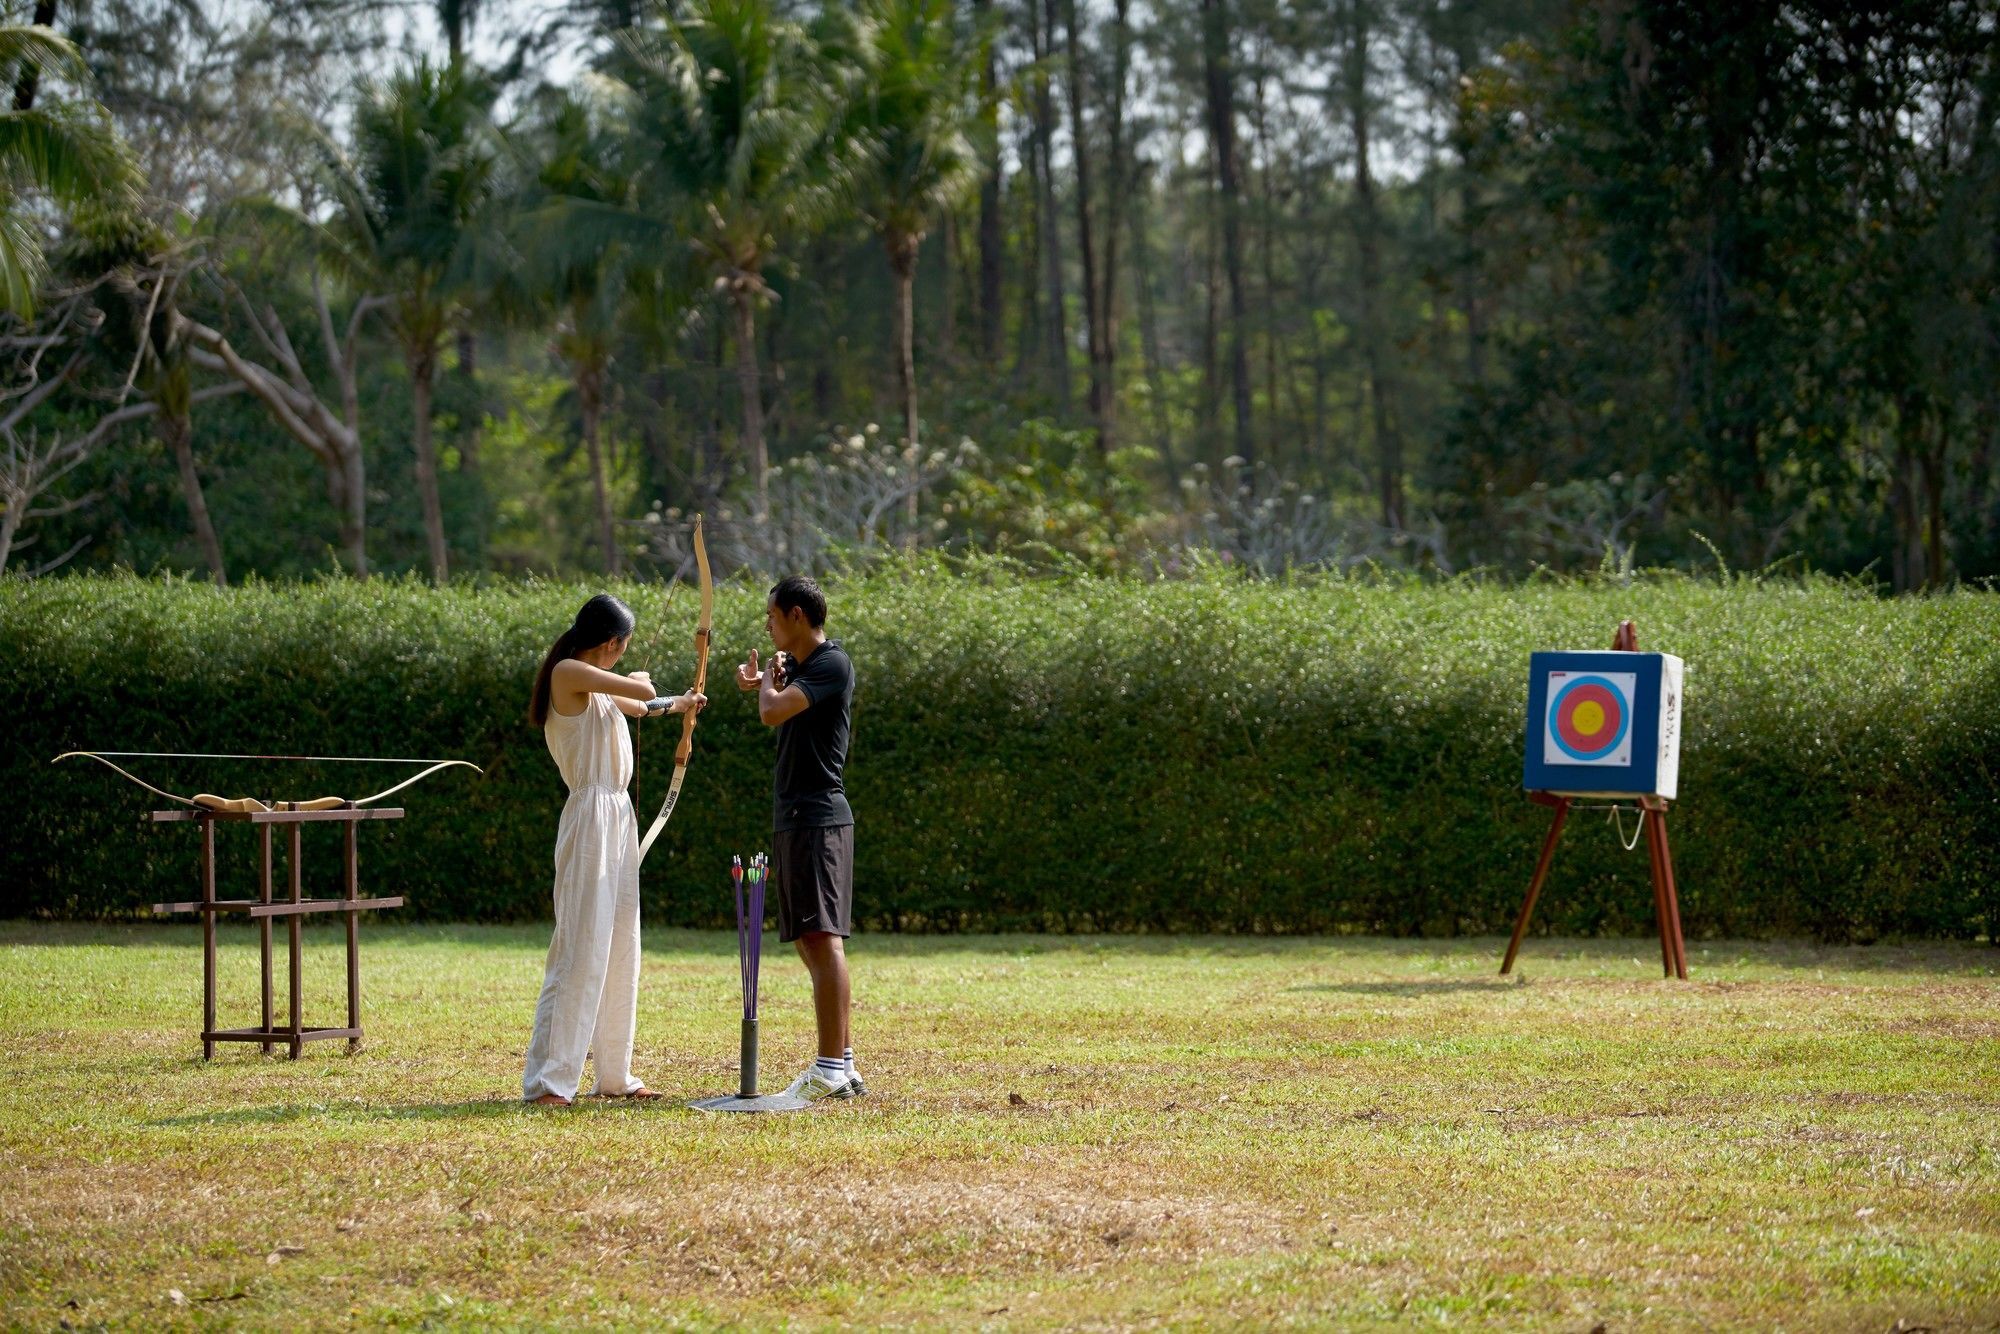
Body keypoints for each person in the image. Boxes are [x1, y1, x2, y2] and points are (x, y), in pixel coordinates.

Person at [521, 593, 705, 1107]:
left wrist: (684, 704)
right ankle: (549, 1082)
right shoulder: (567, 674)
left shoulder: (598, 686)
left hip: (617, 817)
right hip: (588, 821)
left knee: (622, 943)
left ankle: (614, 1074)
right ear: (611, 643)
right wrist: (641, 686)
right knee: (580, 946)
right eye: (624, 647)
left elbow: (644, 703)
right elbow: (634, 688)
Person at [736, 575, 862, 1101]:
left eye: (771, 616)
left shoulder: (832, 663)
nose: (767, 625)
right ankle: (843, 1067)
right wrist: (765, 679)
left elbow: (772, 712)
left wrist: (765, 683)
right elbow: (775, 701)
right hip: (796, 816)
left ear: (795, 614)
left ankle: (832, 1067)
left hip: (818, 816)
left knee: (822, 938)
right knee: (810, 943)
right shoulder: (803, 669)